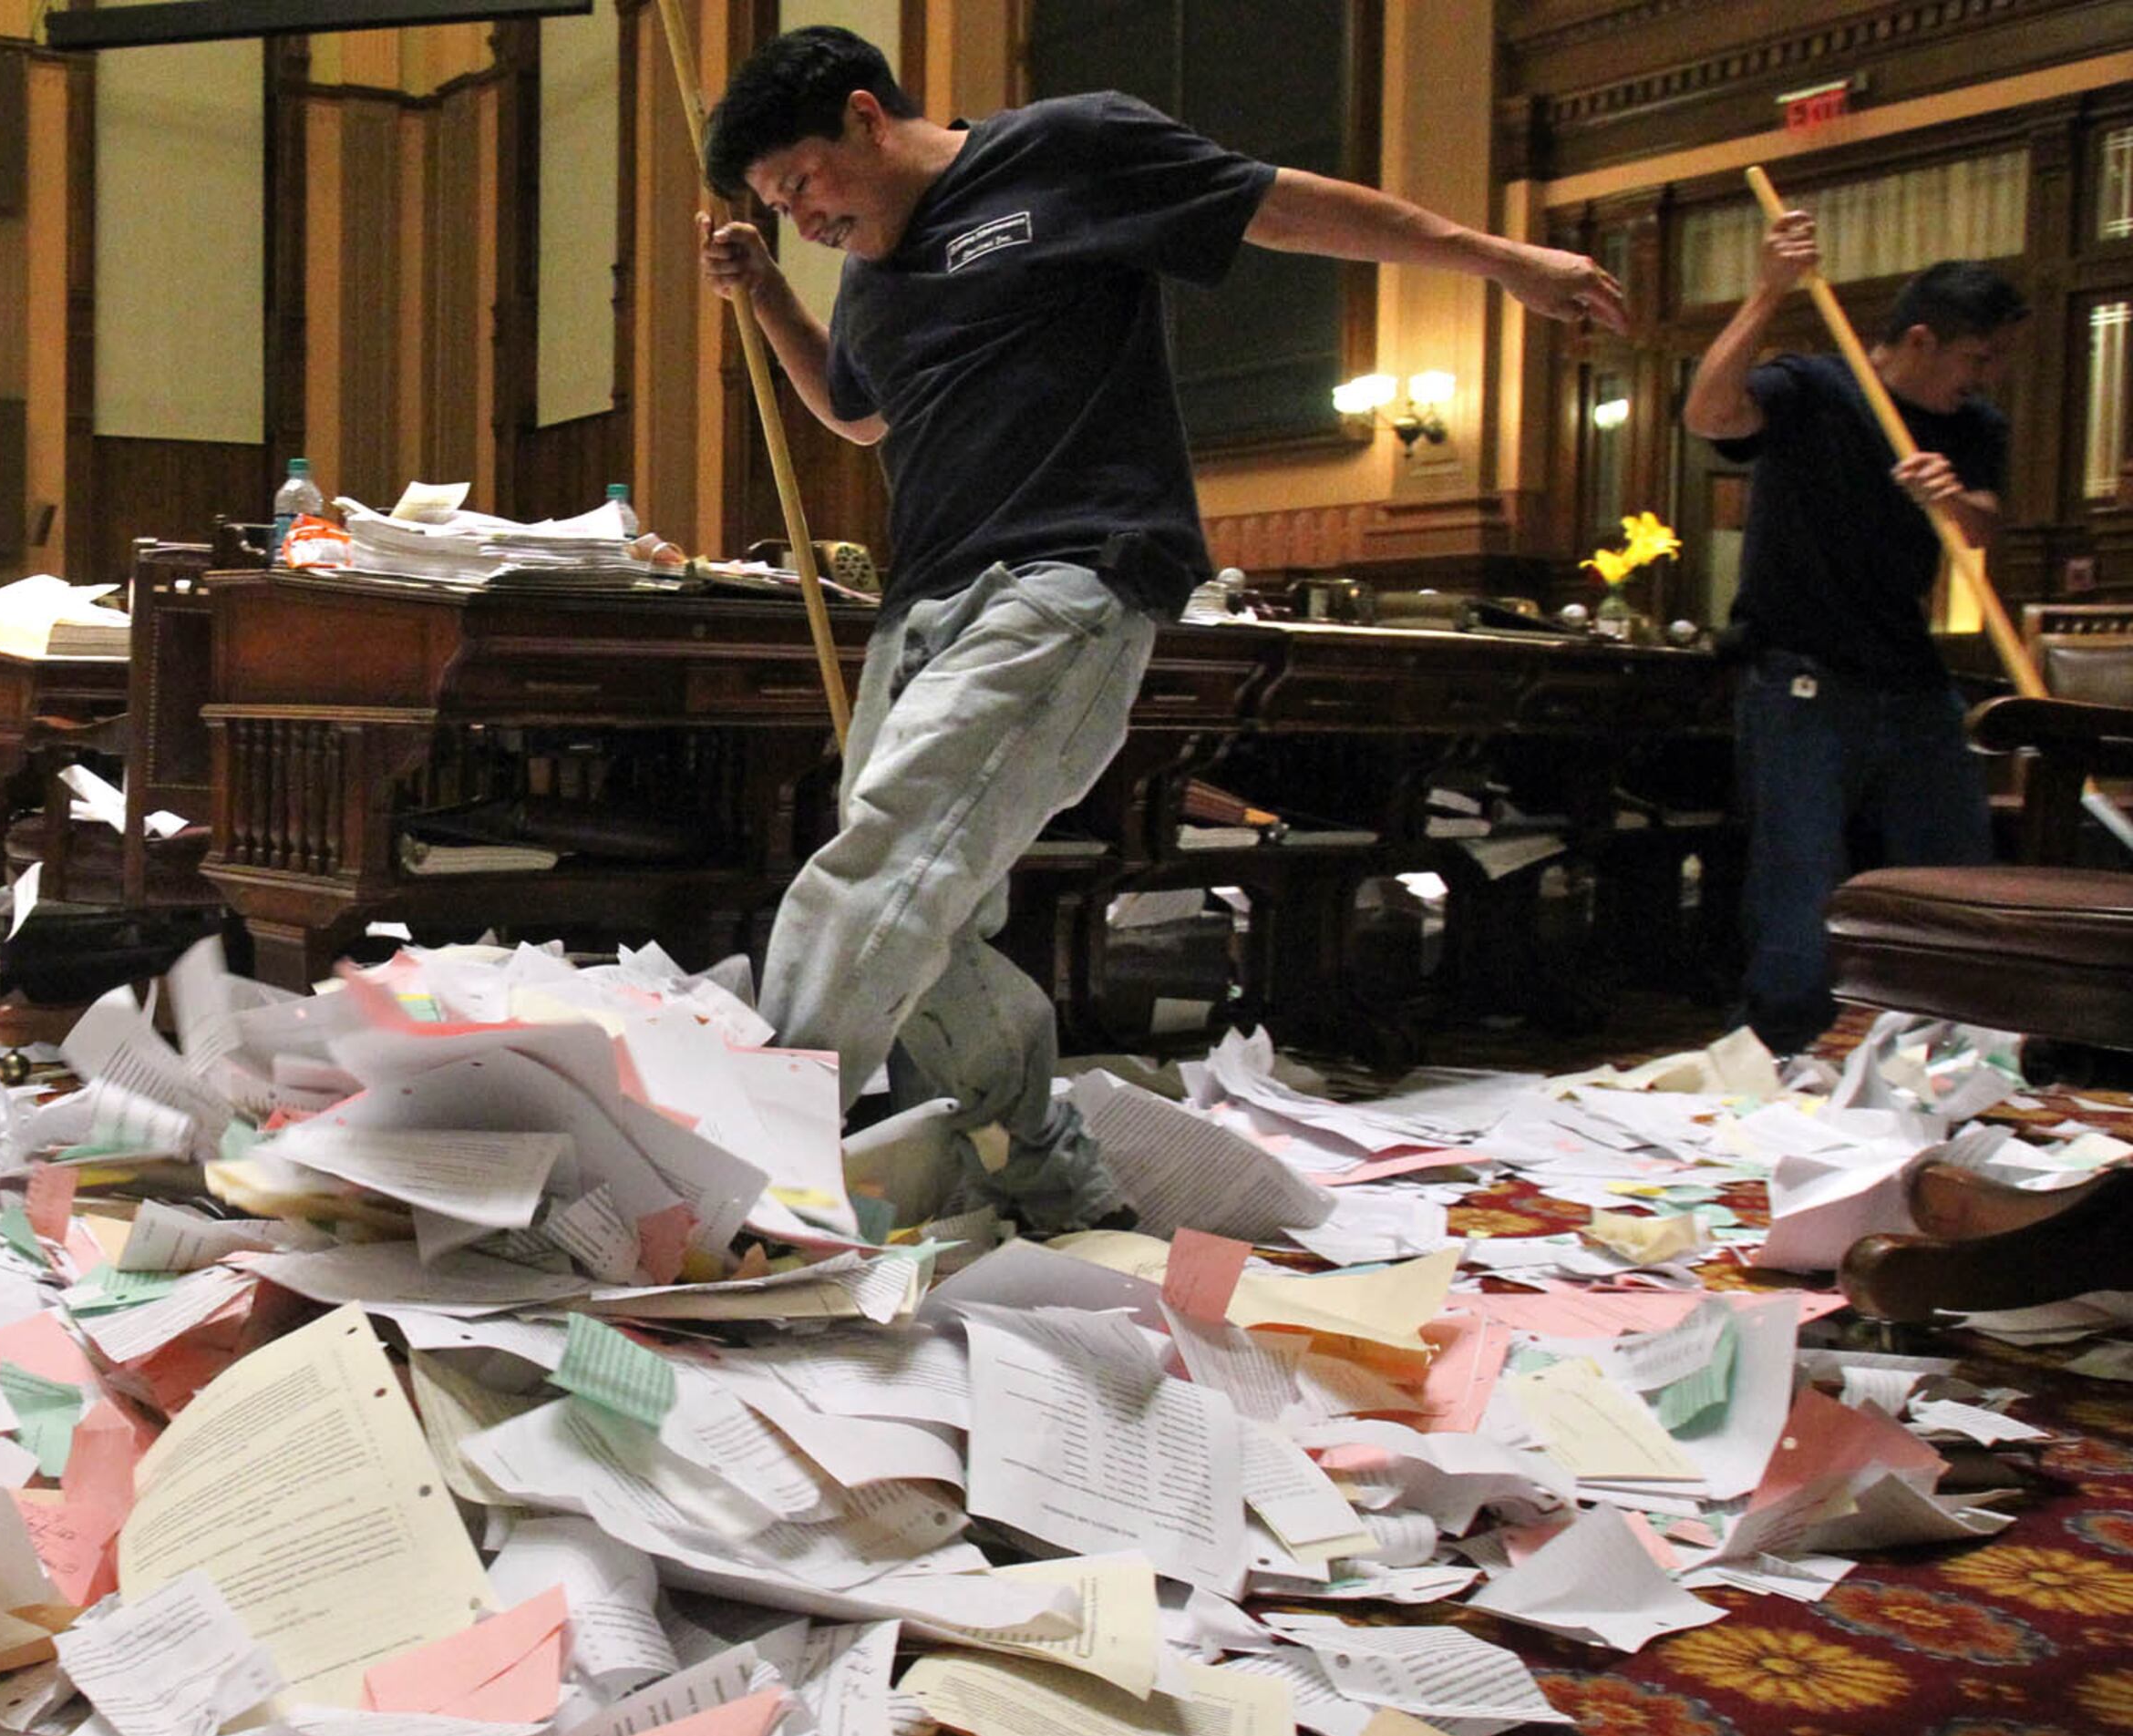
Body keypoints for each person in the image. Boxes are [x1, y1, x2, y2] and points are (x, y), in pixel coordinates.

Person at [696, 28, 1623, 1230]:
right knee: (924, 905)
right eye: (776, 206)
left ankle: (740, 1174)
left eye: (801, 185)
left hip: (1072, 569)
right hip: (925, 595)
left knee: (888, 857)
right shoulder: (873, 272)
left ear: (866, 116)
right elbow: (858, 415)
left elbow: (1282, 208)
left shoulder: (1066, 150)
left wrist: (1494, 259)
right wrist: (768, 293)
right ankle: (1046, 1174)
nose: (802, 218)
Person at [1681, 221, 2023, 1056]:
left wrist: (1951, 500)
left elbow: (1982, 529)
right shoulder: (1815, 389)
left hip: (1910, 676)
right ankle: (1780, 1049)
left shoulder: (1971, 425)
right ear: (1920, 338)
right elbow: (1707, 414)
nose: (1986, 378)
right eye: (1977, 358)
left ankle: (1956, 1045)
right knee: (1800, 881)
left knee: (1954, 875)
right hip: (1800, 674)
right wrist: (1768, 292)